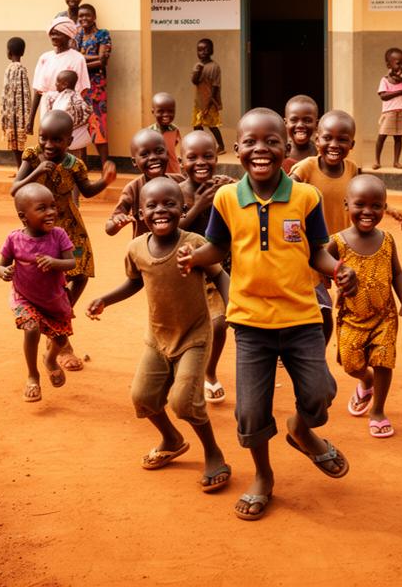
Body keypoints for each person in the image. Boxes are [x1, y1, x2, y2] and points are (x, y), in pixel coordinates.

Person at [177, 108, 358, 522]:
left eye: (272, 142)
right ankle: (262, 476)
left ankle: (301, 429)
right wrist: (194, 257)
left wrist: (337, 270)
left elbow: (316, 252)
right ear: (237, 149)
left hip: (301, 317)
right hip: (251, 321)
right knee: (251, 412)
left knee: (320, 394)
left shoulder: (304, 197)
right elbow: (217, 249)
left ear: (286, 149)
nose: (262, 150)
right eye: (252, 142)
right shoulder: (226, 199)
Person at [87, 177, 232, 493]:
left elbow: (220, 275)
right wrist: (105, 299)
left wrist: (232, 306)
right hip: (157, 337)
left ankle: (213, 452)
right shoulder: (136, 248)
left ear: (183, 208)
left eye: (169, 203)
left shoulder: (193, 243)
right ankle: (171, 439)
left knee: (183, 401)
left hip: (194, 335)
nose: (161, 210)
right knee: (143, 397)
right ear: (140, 213)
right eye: (151, 205)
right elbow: (135, 282)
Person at [13, 110, 117, 371]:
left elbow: (87, 191)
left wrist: (105, 181)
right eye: (43, 138)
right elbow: (15, 189)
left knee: (79, 275)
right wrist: (36, 170)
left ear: (69, 141)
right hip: (40, 230)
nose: (48, 145)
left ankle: (58, 323)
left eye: (57, 140)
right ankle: (63, 340)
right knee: (49, 281)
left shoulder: (75, 165)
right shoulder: (32, 156)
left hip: (70, 227)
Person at [328, 174, 402, 439]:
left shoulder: (387, 240)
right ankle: (365, 381)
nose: (368, 211)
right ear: (346, 205)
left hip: (384, 316)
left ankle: (378, 411)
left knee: (384, 362)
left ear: (384, 207)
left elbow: (397, 273)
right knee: (351, 365)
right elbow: (319, 270)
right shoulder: (337, 242)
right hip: (351, 317)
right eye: (360, 205)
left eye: (376, 206)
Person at [0, 183, 76, 402]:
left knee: (60, 340)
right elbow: (1, 265)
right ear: (24, 217)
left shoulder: (59, 235)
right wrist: (4, 271)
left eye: (52, 206)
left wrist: (54, 262)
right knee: (30, 328)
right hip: (24, 297)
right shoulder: (14, 239)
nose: (51, 212)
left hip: (54, 300)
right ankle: (33, 376)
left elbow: (71, 262)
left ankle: (50, 359)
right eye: (42, 208)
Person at [290, 109, 360, 345]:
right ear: (317, 139)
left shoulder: (352, 170)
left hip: (339, 250)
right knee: (321, 307)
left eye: (342, 139)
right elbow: (286, 188)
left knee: (343, 302)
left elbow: (362, 195)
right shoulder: (306, 167)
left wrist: (387, 207)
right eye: (327, 137)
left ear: (352, 143)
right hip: (310, 251)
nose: (334, 144)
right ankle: (311, 353)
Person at [178, 130, 236, 403]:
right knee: (184, 328)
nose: (201, 162)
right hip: (183, 273)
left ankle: (210, 373)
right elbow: (170, 230)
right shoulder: (175, 194)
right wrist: (199, 205)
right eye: (192, 157)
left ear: (217, 158)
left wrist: (234, 186)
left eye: (208, 156)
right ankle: (183, 372)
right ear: (181, 163)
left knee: (220, 324)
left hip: (217, 270)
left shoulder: (224, 190)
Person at [106, 128, 183, 239]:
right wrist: (117, 222)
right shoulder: (133, 189)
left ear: (167, 154)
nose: (153, 157)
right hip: (145, 252)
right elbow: (109, 229)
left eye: (159, 151)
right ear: (134, 162)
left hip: (177, 249)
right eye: (145, 154)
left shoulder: (180, 182)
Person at [27, 17, 90, 136]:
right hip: (47, 109)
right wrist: (31, 120)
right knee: (48, 144)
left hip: (68, 108)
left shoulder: (77, 58)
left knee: (71, 144)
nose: (53, 37)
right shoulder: (45, 58)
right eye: (52, 34)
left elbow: (82, 91)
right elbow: (38, 91)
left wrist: (76, 114)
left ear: (68, 35)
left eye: (58, 34)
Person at [74, 2, 111, 162]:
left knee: (99, 124)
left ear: (94, 17)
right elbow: (74, 56)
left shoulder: (103, 34)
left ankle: (105, 165)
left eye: (87, 15)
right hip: (80, 86)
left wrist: (80, 59)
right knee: (80, 123)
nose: (84, 18)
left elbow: (103, 62)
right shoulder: (78, 35)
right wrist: (94, 58)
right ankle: (83, 165)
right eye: (81, 16)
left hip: (96, 87)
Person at [374, 48, 402, 170]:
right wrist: (399, 92)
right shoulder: (384, 80)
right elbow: (383, 96)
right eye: (398, 63)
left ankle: (396, 161)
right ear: (389, 65)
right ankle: (377, 161)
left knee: (398, 138)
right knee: (382, 136)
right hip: (389, 113)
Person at [0, 37, 31, 170]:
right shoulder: (18, 68)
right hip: (15, 112)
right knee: (16, 143)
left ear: (9, 52)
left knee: (17, 144)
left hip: (14, 114)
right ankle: (19, 168)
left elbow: (18, 93)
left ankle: (21, 169)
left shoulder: (17, 69)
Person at [44, 69, 91, 155]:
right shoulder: (78, 97)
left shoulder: (64, 101)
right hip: (81, 141)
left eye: (58, 82)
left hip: (67, 143)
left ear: (65, 85)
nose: (55, 84)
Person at [191, 38, 224, 153]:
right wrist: (197, 71)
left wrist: (210, 103)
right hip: (199, 101)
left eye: (206, 49)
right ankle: (199, 144)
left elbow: (216, 86)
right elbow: (194, 81)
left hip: (210, 102)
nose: (203, 52)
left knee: (212, 125)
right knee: (197, 125)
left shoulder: (215, 67)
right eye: (200, 50)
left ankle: (221, 146)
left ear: (212, 51)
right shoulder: (197, 66)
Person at [282, 94, 319, 172]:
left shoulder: (320, 154)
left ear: (316, 124)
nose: (300, 125)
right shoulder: (281, 155)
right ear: (285, 123)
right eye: (294, 120)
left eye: (307, 120)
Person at [148, 91, 181, 174]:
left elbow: (174, 147)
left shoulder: (175, 130)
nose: (166, 115)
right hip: (156, 170)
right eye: (161, 111)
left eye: (170, 111)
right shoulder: (149, 133)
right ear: (153, 112)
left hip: (173, 170)